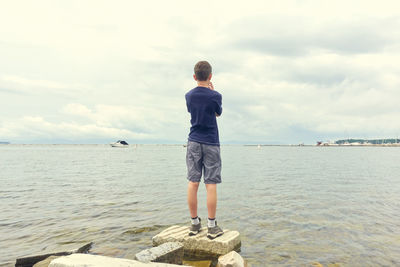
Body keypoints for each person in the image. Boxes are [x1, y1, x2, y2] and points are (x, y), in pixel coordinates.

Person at [185, 61, 223, 239]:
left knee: (193, 182)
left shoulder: (189, 96)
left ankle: (194, 224)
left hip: (193, 141)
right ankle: (211, 226)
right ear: (210, 77)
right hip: (211, 142)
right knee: (211, 184)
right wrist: (212, 91)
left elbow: (193, 112)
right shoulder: (215, 95)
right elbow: (217, 113)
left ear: (194, 77)